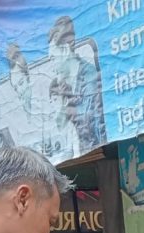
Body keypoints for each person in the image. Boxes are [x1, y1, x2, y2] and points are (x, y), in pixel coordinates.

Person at [47, 16, 107, 153]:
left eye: (52, 59)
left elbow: (97, 131)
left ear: (64, 50)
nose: (52, 66)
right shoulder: (66, 87)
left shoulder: (90, 79)